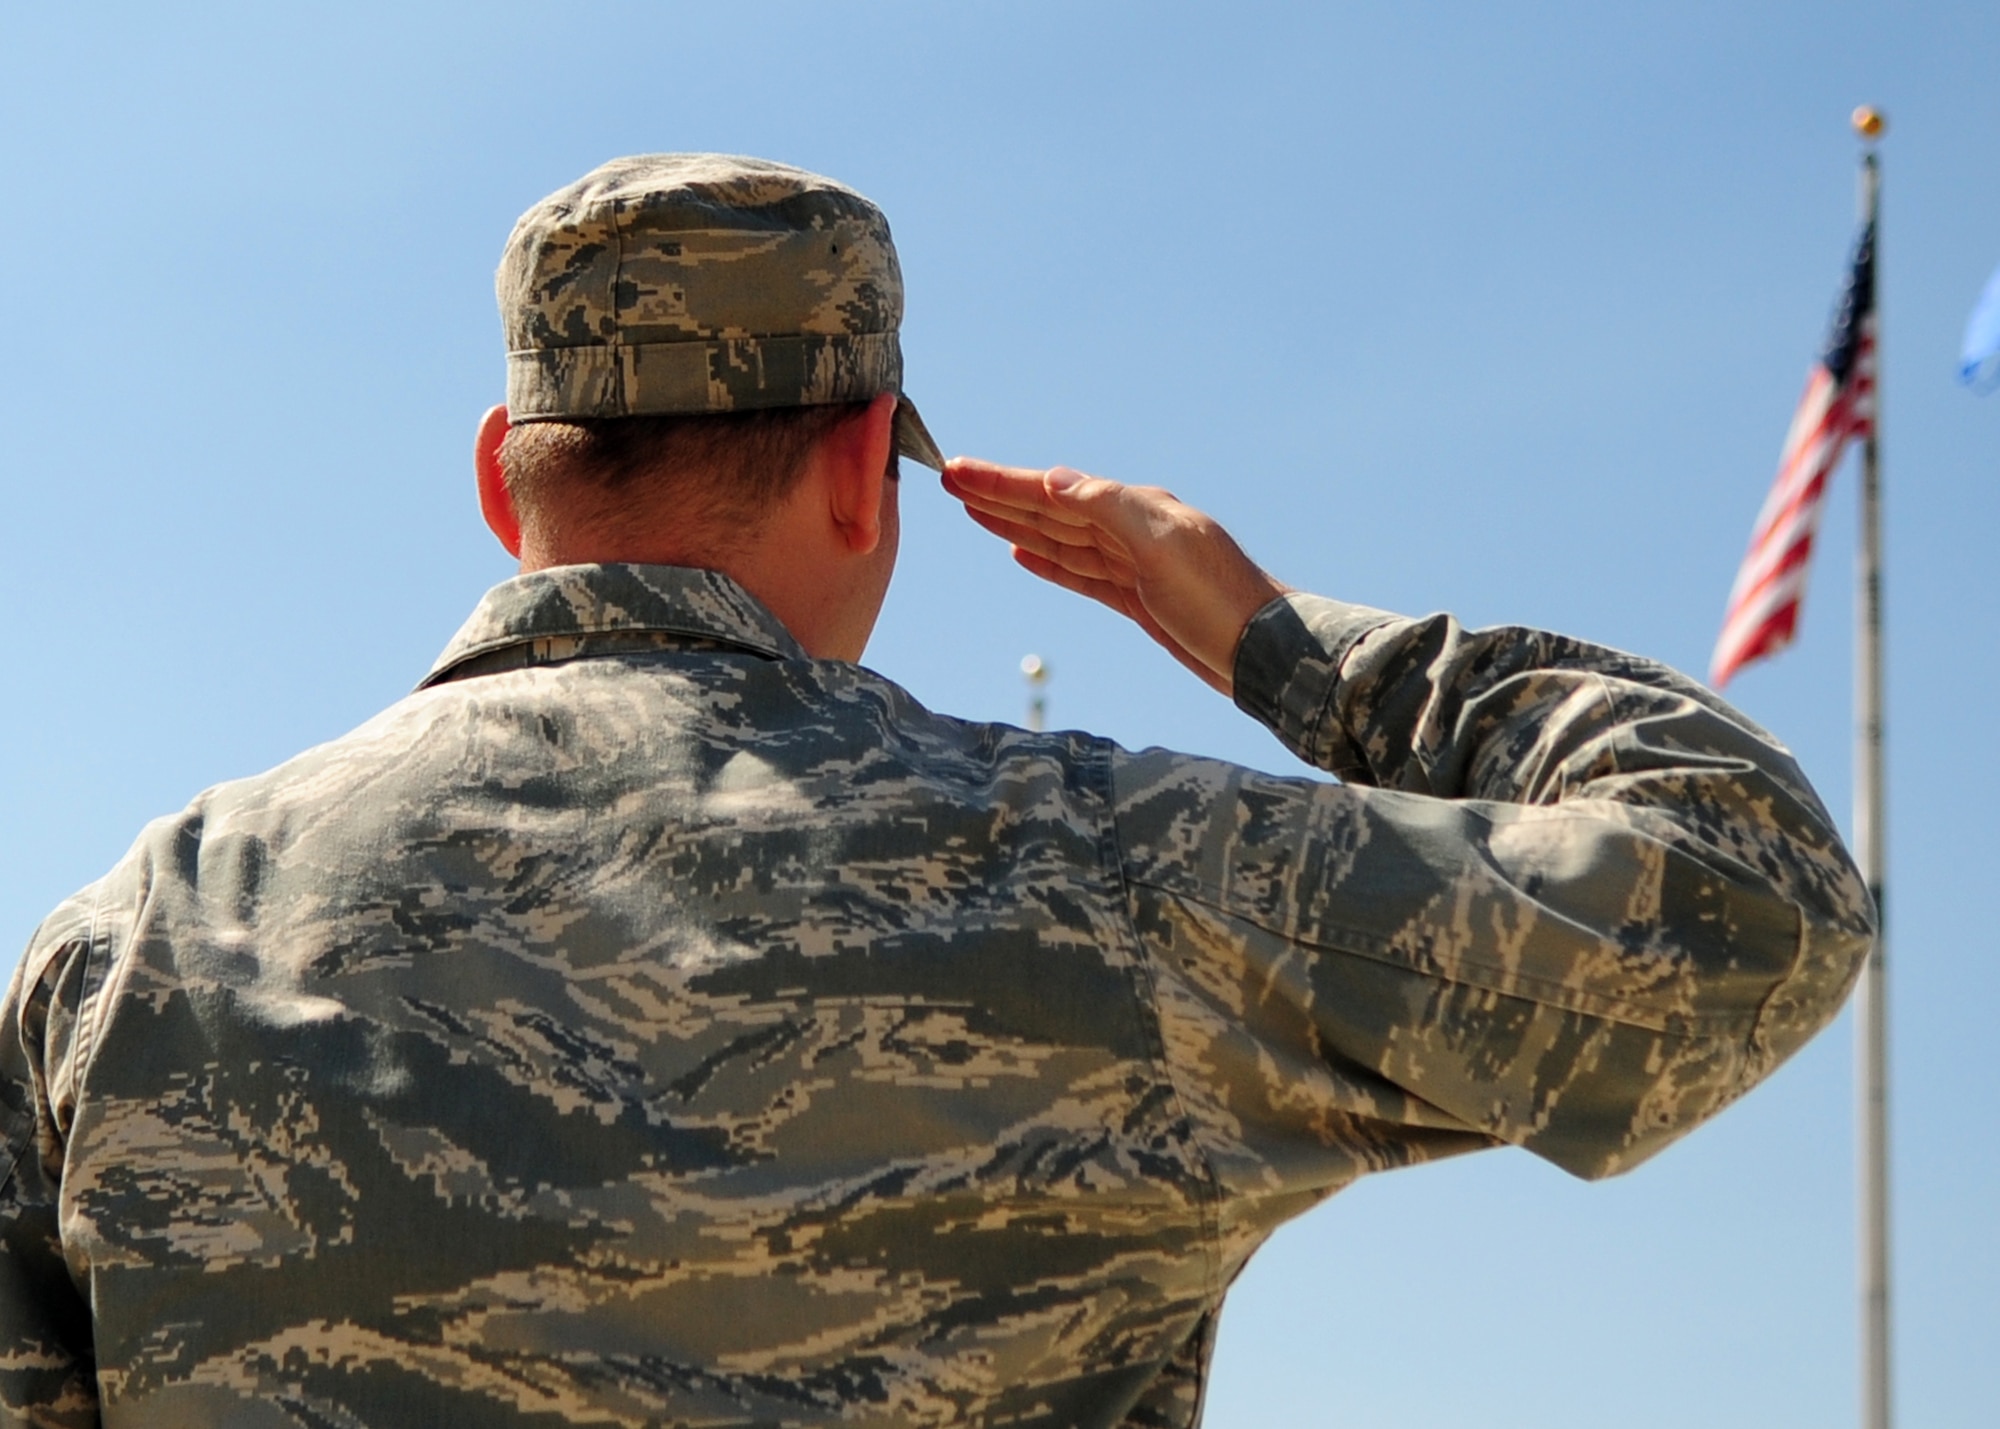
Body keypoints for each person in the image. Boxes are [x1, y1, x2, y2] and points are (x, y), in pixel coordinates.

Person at [0, 154, 1873, 1429]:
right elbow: (1745, 883)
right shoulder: (1094, 874)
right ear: (859, 473)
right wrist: (1281, 645)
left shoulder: (124, 955)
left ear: (507, 476)